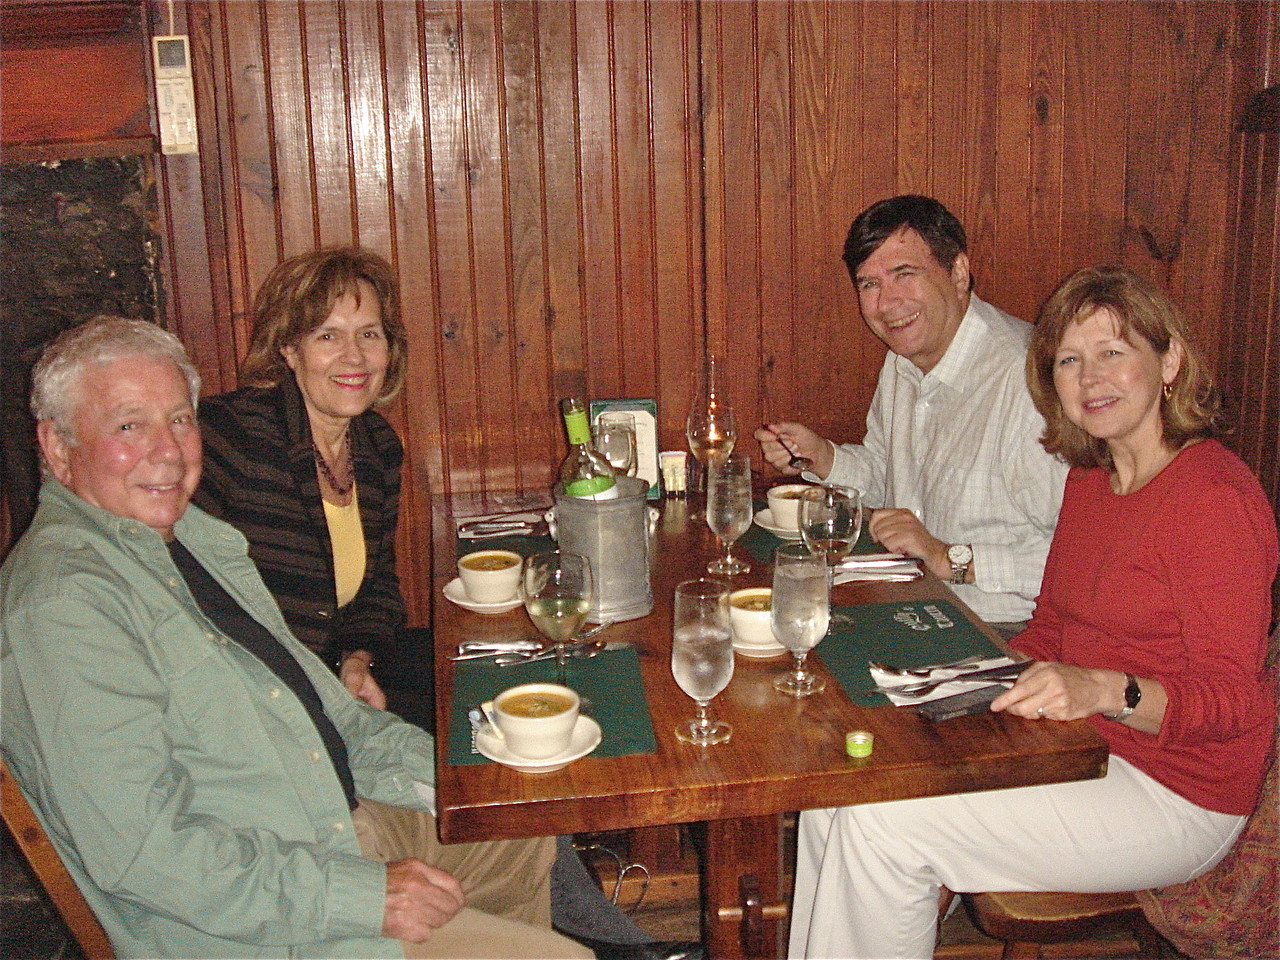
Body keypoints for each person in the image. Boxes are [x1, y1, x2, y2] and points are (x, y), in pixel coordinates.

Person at [190, 249, 694, 960]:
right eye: (328, 334)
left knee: (505, 730)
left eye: (370, 333)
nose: (353, 354)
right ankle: (605, 943)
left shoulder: (372, 444)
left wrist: (356, 657)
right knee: (488, 741)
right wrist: (322, 677)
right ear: (288, 348)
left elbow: (374, 589)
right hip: (273, 724)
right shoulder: (233, 438)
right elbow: (201, 607)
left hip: (339, 689)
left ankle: (581, 936)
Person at [787, 266, 1278, 959]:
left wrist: (1104, 687)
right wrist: (965, 681)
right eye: (1069, 362)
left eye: (1114, 352)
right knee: (837, 789)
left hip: (1177, 792)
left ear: (1168, 362)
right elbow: (1049, 625)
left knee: (885, 827)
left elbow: (1232, 702)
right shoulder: (1091, 479)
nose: (1090, 378)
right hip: (1079, 747)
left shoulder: (1214, 498)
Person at [756, 195, 1068, 635]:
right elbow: (891, 476)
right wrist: (822, 458)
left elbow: (1083, 560)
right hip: (915, 604)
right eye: (869, 285)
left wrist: (948, 556)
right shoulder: (905, 360)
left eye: (904, 274)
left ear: (958, 272)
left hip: (1010, 630)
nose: (887, 303)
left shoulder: (1027, 382)